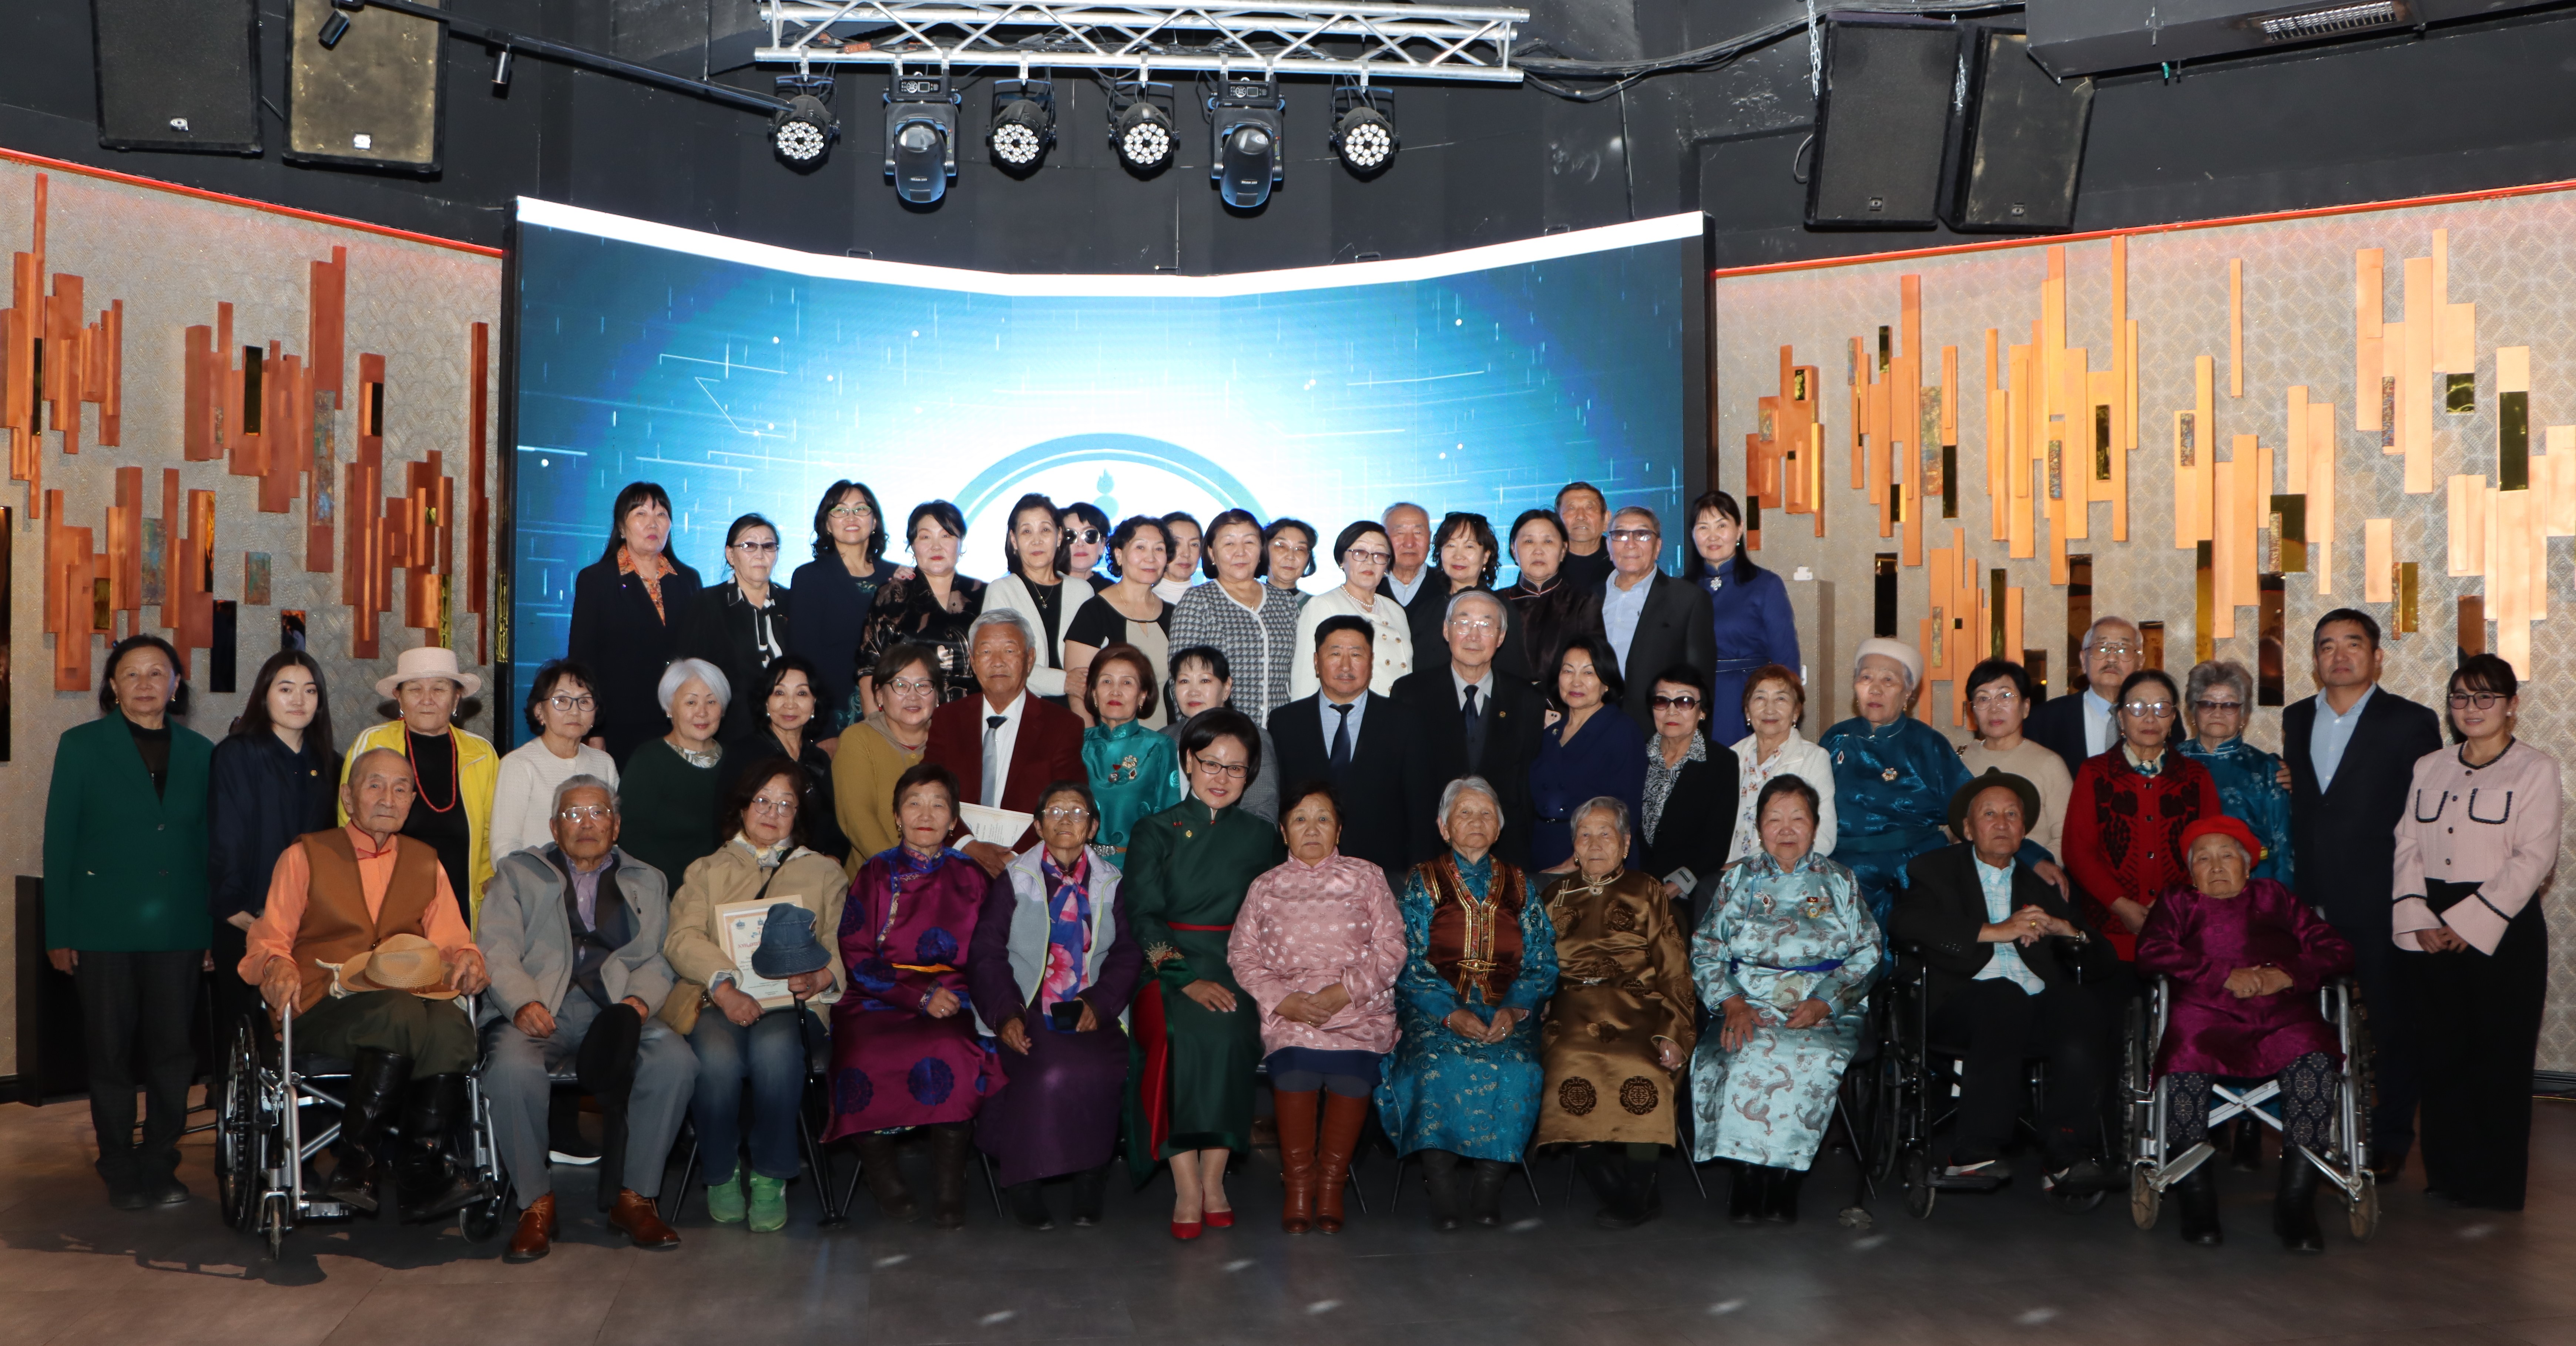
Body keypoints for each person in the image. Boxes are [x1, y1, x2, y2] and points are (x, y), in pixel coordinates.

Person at [242, 747, 491, 1220]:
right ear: (348, 796)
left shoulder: (426, 862)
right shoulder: (305, 856)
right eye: (375, 784)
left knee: (451, 1025)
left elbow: (454, 941)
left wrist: (469, 959)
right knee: (399, 1011)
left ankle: (419, 1169)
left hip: (406, 1002)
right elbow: (269, 938)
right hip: (322, 1007)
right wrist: (276, 965)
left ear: (412, 801)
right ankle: (357, 1163)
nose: (388, 798)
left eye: (401, 788)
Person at [477, 776, 690, 1261]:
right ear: (555, 827)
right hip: (540, 1005)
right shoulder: (519, 873)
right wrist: (521, 1002)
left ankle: (636, 1197)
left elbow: (661, 955)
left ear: (616, 825)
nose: (587, 823)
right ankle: (535, 1203)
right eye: (573, 814)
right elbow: (496, 946)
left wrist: (640, 1001)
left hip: (616, 1009)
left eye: (598, 812)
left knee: (675, 1060)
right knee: (510, 1069)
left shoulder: (648, 879)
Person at [46, 634, 214, 1208]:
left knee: (174, 1052)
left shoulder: (201, 751)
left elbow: (209, 845)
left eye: (157, 673)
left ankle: (161, 1158)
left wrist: (209, 929)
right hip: (103, 927)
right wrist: (59, 932)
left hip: (179, 926)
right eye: (132, 674)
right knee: (110, 1051)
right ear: (113, 686)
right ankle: (117, 1160)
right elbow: (59, 843)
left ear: (176, 684)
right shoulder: (81, 746)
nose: (145, 683)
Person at [2136, 816, 2356, 1250]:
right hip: (2205, 1012)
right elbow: (2152, 951)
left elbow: (2338, 950)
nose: (2216, 866)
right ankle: (2196, 1197)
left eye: (2226, 855)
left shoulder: (2275, 896)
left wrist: (2286, 973)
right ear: (2191, 872)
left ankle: (2295, 1203)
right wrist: (2222, 974)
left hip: (2282, 1013)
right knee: (2184, 1056)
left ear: (2248, 864)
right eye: (2203, 859)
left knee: (2313, 1057)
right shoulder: (2178, 901)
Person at [1892, 771, 2119, 1192]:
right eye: (1990, 814)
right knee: (2003, 998)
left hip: (2031, 1007)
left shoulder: (2042, 886)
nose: (2002, 823)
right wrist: (1995, 931)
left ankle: (2066, 1150)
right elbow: (1906, 924)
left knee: (2081, 1004)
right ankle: (1974, 1151)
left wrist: (2066, 929)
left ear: (2024, 829)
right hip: (1957, 1005)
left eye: (2012, 815)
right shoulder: (1936, 869)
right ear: (1967, 829)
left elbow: (2103, 960)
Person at [2393, 653, 2560, 1212]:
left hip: (2503, 925)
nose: (2472, 707)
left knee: (2499, 1057)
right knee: (2441, 1054)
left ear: (2512, 705)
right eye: (2461, 697)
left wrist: (2471, 919)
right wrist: (2419, 914)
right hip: (2431, 921)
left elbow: (2534, 857)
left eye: (2486, 696)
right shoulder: (2429, 765)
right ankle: (2447, 1175)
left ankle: (2493, 1185)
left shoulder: (2535, 769)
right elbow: (2407, 844)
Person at [2282, 608, 2442, 1176]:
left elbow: (2426, 816)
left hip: (2382, 899)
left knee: (2393, 1023)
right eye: (2327, 645)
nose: (2340, 655)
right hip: (2312, 900)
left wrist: (2420, 898)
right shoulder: (2296, 716)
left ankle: (2393, 1135)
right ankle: (2311, 1131)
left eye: (2353, 643)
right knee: (2306, 1024)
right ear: (2315, 659)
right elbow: (2312, 802)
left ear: (2377, 656)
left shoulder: (2410, 721)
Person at [662, 758, 848, 1233]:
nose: (772, 812)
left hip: (794, 1003)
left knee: (776, 1049)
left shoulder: (824, 872)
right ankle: (721, 1170)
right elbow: (681, 938)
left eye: (786, 804)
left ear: (799, 815)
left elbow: (842, 942)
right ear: (743, 807)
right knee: (716, 1056)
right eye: (762, 800)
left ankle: (771, 1173)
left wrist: (822, 976)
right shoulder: (707, 869)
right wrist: (725, 988)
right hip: (719, 999)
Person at [1123, 710, 1286, 1238]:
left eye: (1236, 768)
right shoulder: (1154, 830)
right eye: (1211, 763)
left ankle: (1214, 1179)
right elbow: (1143, 915)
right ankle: (1186, 1184)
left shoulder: (1262, 837)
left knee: (1234, 1031)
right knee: (1182, 1035)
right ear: (1189, 762)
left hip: (1238, 964)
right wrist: (1184, 977)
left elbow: (1271, 919)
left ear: (1250, 775)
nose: (1221, 776)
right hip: (1166, 968)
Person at [1692, 775, 1883, 1224]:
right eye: (1774, 819)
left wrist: (1826, 1002)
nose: (1786, 829)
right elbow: (1706, 949)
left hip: (1822, 1004)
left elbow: (1869, 951)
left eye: (1798, 818)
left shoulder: (1840, 880)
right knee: (1743, 1049)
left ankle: (1785, 1177)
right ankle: (1747, 1173)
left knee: (1810, 1056)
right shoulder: (1739, 878)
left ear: (1815, 825)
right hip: (1749, 999)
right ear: (1759, 827)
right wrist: (1732, 1003)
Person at [1376, 778, 1559, 1231]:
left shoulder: (1521, 884)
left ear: (1499, 828)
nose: (1476, 821)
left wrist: (1515, 1008)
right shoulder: (1423, 880)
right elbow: (1405, 957)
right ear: (1444, 827)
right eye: (1465, 813)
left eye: (1486, 814)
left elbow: (1543, 959)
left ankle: (1487, 1189)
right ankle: (1442, 1191)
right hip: (1435, 1011)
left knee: (1519, 1068)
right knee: (1433, 1064)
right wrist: (1448, 1011)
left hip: (1506, 1011)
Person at [1227, 783, 1407, 1234]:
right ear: (1284, 831)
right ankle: (1298, 1187)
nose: (1312, 828)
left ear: (1339, 830)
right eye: (1300, 819)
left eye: (1323, 818)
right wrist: (1285, 1000)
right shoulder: (1266, 886)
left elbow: (1392, 948)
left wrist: (1342, 993)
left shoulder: (1367, 876)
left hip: (1358, 1008)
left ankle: (1330, 1187)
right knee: (1296, 1071)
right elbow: (1242, 955)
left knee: (1351, 1076)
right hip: (1291, 1011)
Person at [828, 762, 999, 1230]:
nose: (926, 814)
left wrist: (960, 996)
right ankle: (883, 1178)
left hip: (958, 997)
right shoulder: (876, 872)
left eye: (939, 805)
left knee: (956, 1048)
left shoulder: (973, 875)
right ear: (897, 816)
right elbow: (856, 953)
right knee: (862, 1054)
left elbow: (991, 952)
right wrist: (918, 995)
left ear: (954, 818)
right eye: (914, 803)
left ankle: (950, 1184)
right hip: (878, 996)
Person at [972, 780, 1144, 1230]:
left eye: (1077, 811)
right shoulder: (1015, 879)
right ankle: (1024, 1180)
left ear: (1094, 826)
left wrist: (1100, 1003)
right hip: (1029, 1003)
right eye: (1054, 811)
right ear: (1038, 825)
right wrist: (1007, 1013)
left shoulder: (1112, 882)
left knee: (1104, 1069)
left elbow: (1128, 952)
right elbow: (986, 952)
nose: (1066, 819)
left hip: (1092, 1005)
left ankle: (1090, 1179)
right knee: (1047, 1069)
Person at [1537, 798, 1695, 1229]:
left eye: (1605, 834)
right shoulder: (1553, 896)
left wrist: (1674, 1031)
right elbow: (1536, 965)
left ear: (1625, 844)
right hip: (1572, 1005)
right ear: (1573, 845)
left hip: (1642, 1004)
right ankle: (1613, 1185)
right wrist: (1538, 1000)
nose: (1594, 844)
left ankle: (1638, 1188)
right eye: (1585, 834)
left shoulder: (1648, 890)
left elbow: (1675, 967)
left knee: (1644, 1065)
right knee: (1567, 1063)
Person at [208, 650, 341, 1060]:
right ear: (264, 696)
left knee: (303, 1040)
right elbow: (225, 835)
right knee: (247, 1043)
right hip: (247, 919)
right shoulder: (237, 753)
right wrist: (235, 909)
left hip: (308, 925)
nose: (299, 700)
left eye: (310, 691)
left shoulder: (331, 764)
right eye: (286, 689)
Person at [2063, 668, 2224, 960]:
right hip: (2109, 933)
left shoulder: (2196, 777)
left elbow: (2209, 852)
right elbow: (2078, 852)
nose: (2150, 718)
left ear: (2173, 718)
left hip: (2182, 931)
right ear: (2121, 717)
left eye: (2162, 708)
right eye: (2138, 707)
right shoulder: (2094, 773)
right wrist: (2121, 905)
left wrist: (2170, 907)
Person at [1819, 639, 1976, 928]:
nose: (1875, 689)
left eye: (1889, 680)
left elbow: (1974, 807)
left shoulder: (1927, 743)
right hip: (1842, 870)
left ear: (1908, 693)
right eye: (1866, 678)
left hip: (1911, 870)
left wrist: (2032, 857)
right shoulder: (1836, 739)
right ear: (1855, 685)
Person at [1268, 616, 1435, 886]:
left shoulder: (1404, 722)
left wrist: (1417, 878)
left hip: (1386, 876)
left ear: (1371, 662)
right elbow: (1278, 804)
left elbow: (1421, 808)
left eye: (1356, 654)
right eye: (1335, 654)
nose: (1346, 666)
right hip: (1304, 877)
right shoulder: (1285, 722)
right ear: (1316, 662)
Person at [1391, 588, 1546, 866]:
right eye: (1463, 623)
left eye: (1486, 625)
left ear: (1501, 637)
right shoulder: (1410, 694)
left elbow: (1525, 787)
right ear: (1446, 631)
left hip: (1504, 854)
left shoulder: (1527, 700)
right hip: (1428, 849)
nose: (1474, 636)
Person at [923, 611, 1087, 870]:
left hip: (1031, 867)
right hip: (954, 861)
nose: (997, 662)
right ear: (973, 661)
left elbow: (1071, 804)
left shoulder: (1062, 725)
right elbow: (928, 789)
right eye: (986, 652)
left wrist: (1013, 860)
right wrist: (967, 845)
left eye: (1009, 651)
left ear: (1030, 659)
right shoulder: (948, 718)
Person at [343, 645, 499, 917]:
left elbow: (491, 835)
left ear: (456, 698)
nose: (427, 700)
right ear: (399, 697)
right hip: (385, 900)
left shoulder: (482, 754)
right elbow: (348, 821)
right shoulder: (373, 744)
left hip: (460, 901)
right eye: (415, 689)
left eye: (439, 689)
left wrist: (488, 888)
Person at [570, 482, 704, 763]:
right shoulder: (596, 580)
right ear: (622, 526)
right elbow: (583, 662)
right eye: (641, 514)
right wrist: (595, 730)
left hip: (680, 721)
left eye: (661, 514)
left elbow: (697, 655)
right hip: (620, 725)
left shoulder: (688, 580)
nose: (652, 524)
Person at [1681, 491, 1798, 746]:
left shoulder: (1766, 585)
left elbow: (1786, 658)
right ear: (1692, 534)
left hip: (1746, 699)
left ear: (1739, 530)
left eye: (1722, 525)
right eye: (1703, 527)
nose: (1713, 536)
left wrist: (1782, 707)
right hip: (1690, 701)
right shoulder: (1680, 590)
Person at [1170, 508, 1304, 724]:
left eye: (1249, 542)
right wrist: (1195, 734)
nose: (1240, 552)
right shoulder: (1198, 601)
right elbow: (1179, 679)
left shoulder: (1285, 602)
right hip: (1222, 731)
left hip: (1282, 731)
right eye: (1229, 544)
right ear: (1212, 553)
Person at [1528, 635, 1648, 872]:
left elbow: (1626, 812)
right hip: (1543, 851)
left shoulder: (1622, 731)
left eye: (1589, 673)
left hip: (1596, 861)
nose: (1576, 682)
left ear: (1607, 683)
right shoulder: (1550, 733)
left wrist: (1575, 863)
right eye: (1568, 671)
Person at [856, 501, 988, 713]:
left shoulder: (984, 595)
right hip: (905, 718)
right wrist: (875, 729)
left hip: (972, 717)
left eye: (946, 535)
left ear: (961, 542)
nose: (936, 546)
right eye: (926, 537)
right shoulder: (892, 595)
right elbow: (868, 669)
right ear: (912, 545)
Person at [1594, 505, 1715, 734]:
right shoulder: (1588, 599)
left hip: (1658, 733)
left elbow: (1700, 683)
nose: (1630, 543)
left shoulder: (1688, 600)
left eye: (1642, 535)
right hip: (1595, 728)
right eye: (1620, 535)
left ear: (1658, 547)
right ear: (1609, 546)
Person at [717, 656, 849, 864]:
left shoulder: (820, 759)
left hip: (815, 868)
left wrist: (832, 859)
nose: (790, 704)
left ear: (814, 704)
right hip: (755, 867)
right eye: (780, 693)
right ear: (766, 701)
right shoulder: (744, 753)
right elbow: (724, 823)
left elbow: (835, 826)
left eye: (802, 693)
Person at [617, 659, 732, 895]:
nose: (702, 712)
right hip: (665, 890)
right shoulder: (649, 759)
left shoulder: (736, 760)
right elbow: (632, 836)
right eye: (691, 702)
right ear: (670, 708)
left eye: (712, 701)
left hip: (729, 886)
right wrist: (687, 887)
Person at [2176, 659, 2294, 886]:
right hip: (2183, 885)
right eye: (2207, 704)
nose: (2218, 712)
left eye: (2229, 705)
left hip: (2253, 886)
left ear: (2244, 716)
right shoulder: (2170, 761)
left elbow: (2283, 846)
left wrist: (2281, 900)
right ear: (2193, 712)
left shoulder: (2267, 768)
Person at [489, 659, 618, 863]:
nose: (575, 711)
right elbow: (503, 849)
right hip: (535, 879)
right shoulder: (519, 764)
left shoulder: (604, 763)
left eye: (584, 701)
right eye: (562, 701)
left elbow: (612, 837)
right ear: (539, 711)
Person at [786, 480, 890, 733]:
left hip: (896, 713)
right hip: (837, 719)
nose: (851, 517)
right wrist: (824, 731)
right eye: (840, 510)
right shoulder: (810, 577)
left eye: (861, 509)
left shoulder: (897, 578)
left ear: (874, 522)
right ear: (827, 525)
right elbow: (804, 660)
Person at [680, 512, 792, 745]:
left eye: (768, 546)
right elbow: (692, 674)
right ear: (731, 555)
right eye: (749, 546)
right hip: (731, 735)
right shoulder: (708, 603)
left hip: (790, 732)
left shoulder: (793, 602)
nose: (760, 555)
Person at [1637, 664, 1740, 907]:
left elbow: (1716, 845)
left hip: (1685, 897)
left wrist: (1670, 891)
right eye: (1662, 701)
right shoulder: (1636, 754)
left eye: (1684, 702)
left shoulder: (1721, 763)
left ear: (1702, 712)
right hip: (1633, 884)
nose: (1671, 711)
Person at [1955, 659, 2072, 862]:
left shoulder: (2049, 763)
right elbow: (1947, 827)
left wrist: (2033, 867)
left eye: (2005, 696)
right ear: (1972, 711)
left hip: (2030, 876)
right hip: (1968, 876)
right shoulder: (1960, 760)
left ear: (2026, 707)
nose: (1994, 708)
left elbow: (2067, 837)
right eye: (1983, 699)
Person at [833, 643, 939, 864]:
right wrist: (903, 872)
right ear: (880, 695)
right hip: (880, 876)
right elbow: (857, 818)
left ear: (937, 696)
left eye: (923, 685)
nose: (913, 696)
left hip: (944, 876)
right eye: (901, 685)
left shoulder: (949, 741)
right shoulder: (858, 739)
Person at [1065, 515, 1174, 728]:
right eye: (1140, 547)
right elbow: (1079, 692)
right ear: (1119, 555)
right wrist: (1092, 742)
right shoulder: (1094, 612)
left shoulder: (1174, 614)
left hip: (1169, 739)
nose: (1151, 558)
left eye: (1159, 549)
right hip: (1111, 742)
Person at [1289, 521, 1413, 699]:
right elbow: (1305, 678)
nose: (1370, 562)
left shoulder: (1396, 611)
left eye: (1379, 555)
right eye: (1360, 553)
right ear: (1342, 560)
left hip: (1399, 710)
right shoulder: (1323, 605)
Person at [1728, 664, 1838, 864]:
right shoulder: (1731, 757)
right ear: (1747, 711)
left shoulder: (1814, 759)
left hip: (1785, 873)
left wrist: (1747, 865)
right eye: (1760, 698)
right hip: (1725, 872)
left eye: (1781, 699)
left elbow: (1824, 839)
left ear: (1796, 712)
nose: (1770, 709)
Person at [1080, 643, 1183, 856]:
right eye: (1106, 681)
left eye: (1127, 682)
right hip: (1077, 865)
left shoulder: (1159, 746)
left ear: (1142, 695)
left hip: (1136, 864)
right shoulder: (1076, 743)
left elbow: (1170, 820)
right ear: (1094, 693)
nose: (1115, 691)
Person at [1164, 645, 1282, 823]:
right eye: (1184, 681)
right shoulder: (1164, 739)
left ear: (1227, 688)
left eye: (1205, 681)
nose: (1193, 692)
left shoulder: (1252, 738)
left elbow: (1263, 814)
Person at [981, 493, 1078, 705]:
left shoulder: (1082, 591)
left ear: (1060, 536)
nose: (1037, 540)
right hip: (1022, 709)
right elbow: (1002, 662)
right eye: (1027, 531)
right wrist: (1065, 682)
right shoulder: (1001, 591)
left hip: (1079, 706)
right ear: (1014, 540)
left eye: (1045, 530)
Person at [1499, 507, 1600, 691]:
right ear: (1514, 550)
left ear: (1563, 550)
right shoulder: (1496, 603)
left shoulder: (1582, 602)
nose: (1538, 551)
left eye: (1548, 541)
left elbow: (1594, 665)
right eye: (1529, 541)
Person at [2029, 616, 2143, 778]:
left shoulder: (2160, 718)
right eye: (2102, 648)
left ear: (2140, 663)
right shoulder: (2043, 720)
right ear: (2084, 661)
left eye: (2123, 649)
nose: (2112, 658)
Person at [1379, 501, 1437, 622]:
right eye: (1400, 533)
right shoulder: (1370, 586)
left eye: (1418, 533)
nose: (1410, 543)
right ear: (1383, 538)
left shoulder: (1448, 585)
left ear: (1430, 538)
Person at [1554, 481, 1614, 591]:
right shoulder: (1545, 562)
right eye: (1571, 508)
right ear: (1557, 521)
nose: (1581, 516)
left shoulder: (1622, 559)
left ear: (1606, 520)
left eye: (1590, 508)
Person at [1263, 516, 1319, 604]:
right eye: (1281, 546)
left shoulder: (1317, 605)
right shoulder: (1245, 600)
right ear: (1264, 550)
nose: (1290, 557)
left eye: (1300, 549)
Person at [1059, 501, 1113, 590]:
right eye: (1070, 536)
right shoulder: (1042, 589)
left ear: (1102, 545)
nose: (1080, 544)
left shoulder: (1114, 592)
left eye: (1090, 535)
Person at [1154, 511, 1203, 605]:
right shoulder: (1143, 604)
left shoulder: (1212, 603)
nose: (1186, 554)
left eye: (1194, 544)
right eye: (1176, 543)